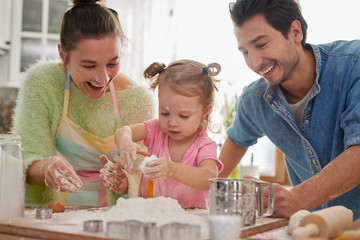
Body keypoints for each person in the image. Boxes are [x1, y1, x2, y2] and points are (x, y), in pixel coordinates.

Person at [219, 0, 360, 220]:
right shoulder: (254, 100)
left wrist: (297, 199)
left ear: (295, 32)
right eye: (245, 52)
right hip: (313, 230)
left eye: (261, 44)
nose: (254, 63)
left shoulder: (354, 64)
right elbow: (235, 143)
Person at [11, 0, 155, 207]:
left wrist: (124, 182)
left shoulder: (138, 100)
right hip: (49, 217)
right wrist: (45, 167)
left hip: (110, 222)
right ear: (63, 55)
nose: (103, 78)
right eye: (89, 65)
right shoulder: (43, 83)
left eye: (112, 63)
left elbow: (142, 179)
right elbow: (25, 163)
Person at [102, 60, 224, 209]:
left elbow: (209, 178)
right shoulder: (156, 129)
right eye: (164, 113)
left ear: (205, 110)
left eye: (183, 116)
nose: (172, 122)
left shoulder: (204, 145)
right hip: (151, 218)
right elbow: (123, 132)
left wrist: (173, 170)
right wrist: (126, 142)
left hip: (189, 224)